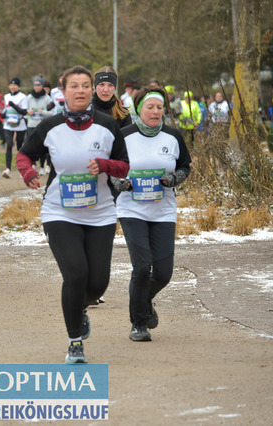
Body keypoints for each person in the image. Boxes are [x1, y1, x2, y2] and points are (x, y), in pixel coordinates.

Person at [16, 65, 129, 363]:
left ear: (92, 90)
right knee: (76, 273)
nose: (80, 91)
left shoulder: (107, 125)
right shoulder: (50, 126)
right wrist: (28, 173)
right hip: (60, 212)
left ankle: (80, 307)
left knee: (98, 283)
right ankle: (74, 342)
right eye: (74, 86)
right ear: (63, 92)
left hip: (100, 213)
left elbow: (124, 166)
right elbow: (25, 154)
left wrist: (104, 165)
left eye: (85, 85)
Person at [111, 86, 191, 342]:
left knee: (164, 273)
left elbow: (185, 167)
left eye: (159, 107)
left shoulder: (172, 136)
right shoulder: (124, 136)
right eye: (150, 107)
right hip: (131, 209)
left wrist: (173, 179)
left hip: (163, 211)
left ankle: (143, 302)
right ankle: (138, 323)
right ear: (139, 109)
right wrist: (121, 183)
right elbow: (111, 170)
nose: (156, 112)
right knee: (142, 267)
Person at [26, 76, 53, 176]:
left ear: (42, 86)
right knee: (31, 146)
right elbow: (24, 110)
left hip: (42, 125)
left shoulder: (47, 98)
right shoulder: (29, 97)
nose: (37, 87)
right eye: (35, 85)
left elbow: (52, 113)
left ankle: (42, 167)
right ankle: (32, 165)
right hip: (31, 125)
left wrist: (43, 112)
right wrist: (28, 112)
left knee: (42, 146)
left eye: (39, 85)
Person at [1, 77, 28, 178]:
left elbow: (24, 112)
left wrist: (14, 106)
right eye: (11, 85)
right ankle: (8, 168)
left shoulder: (23, 97)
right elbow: (5, 109)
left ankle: (22, 169)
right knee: (9, 145)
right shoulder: (6, 96)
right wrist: (3, 114)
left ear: (18, 87)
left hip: (20, 124)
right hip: (8, 124)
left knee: (19, 147)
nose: (12, 87)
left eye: (15, 85)